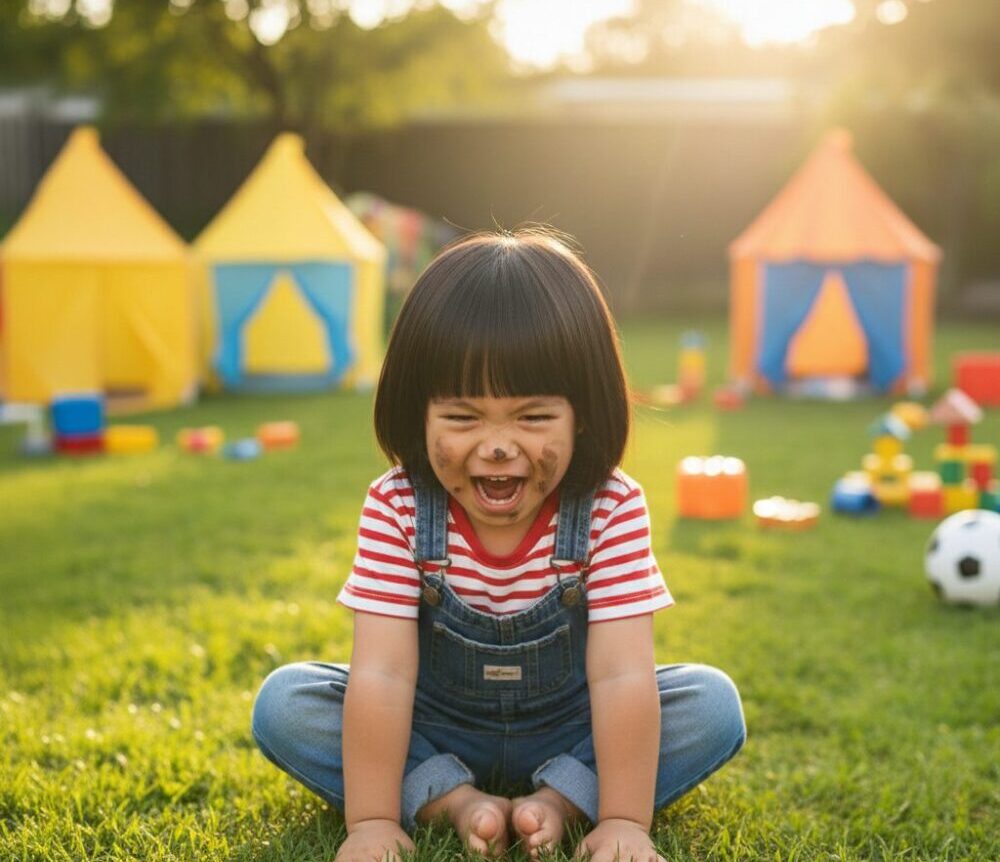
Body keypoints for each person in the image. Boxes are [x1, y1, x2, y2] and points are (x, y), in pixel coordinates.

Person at [252, 229, 746, 862]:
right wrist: (370, 822)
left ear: (583, 414)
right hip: (429, 725)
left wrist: (626, 820)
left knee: (709, 706)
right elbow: (384, 671)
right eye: (462, 418)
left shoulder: (610, 505)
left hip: (574, 728)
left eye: (533, 417)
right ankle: (453, 802)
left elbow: (622, 674)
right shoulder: (398, 504)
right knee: (287, 705)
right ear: (418, 413)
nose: (497, 444)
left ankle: (563, 802)